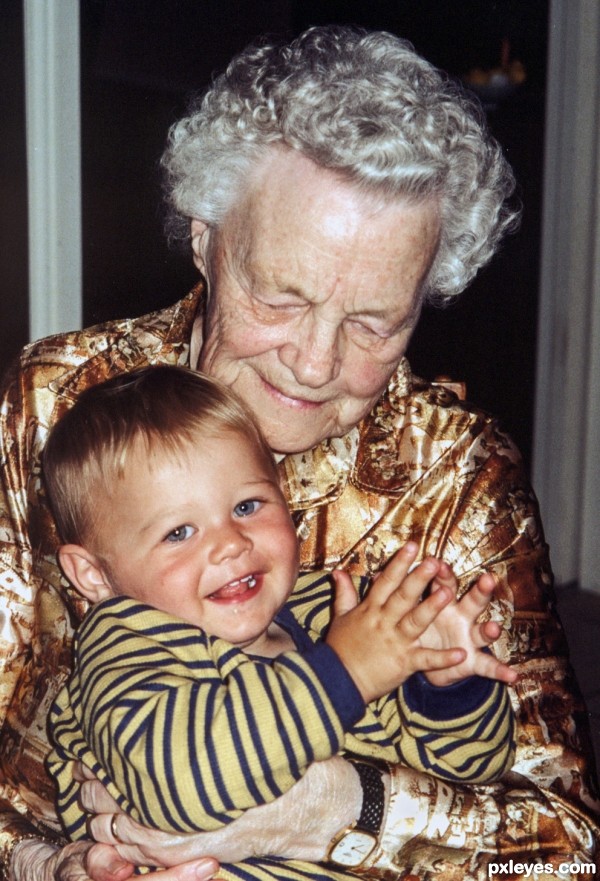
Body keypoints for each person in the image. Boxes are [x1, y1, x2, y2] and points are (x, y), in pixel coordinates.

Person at [0, 23, 598, 881]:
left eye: (374, 322)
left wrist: (336, 805)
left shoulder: (455, 472)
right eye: (280, 297)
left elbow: (566, 847)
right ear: (207, 239)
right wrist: (42, 864)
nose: (316, 364)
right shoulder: (58, 402)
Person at [43, 365, 516, 863]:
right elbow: (177, 784)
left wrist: (446, 686)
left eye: (247, 506)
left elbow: (475, 768)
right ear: (93, 575)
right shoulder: (124, 643)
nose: (231, 543)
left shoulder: (331, 615)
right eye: (178, 533)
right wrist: (346, 673)